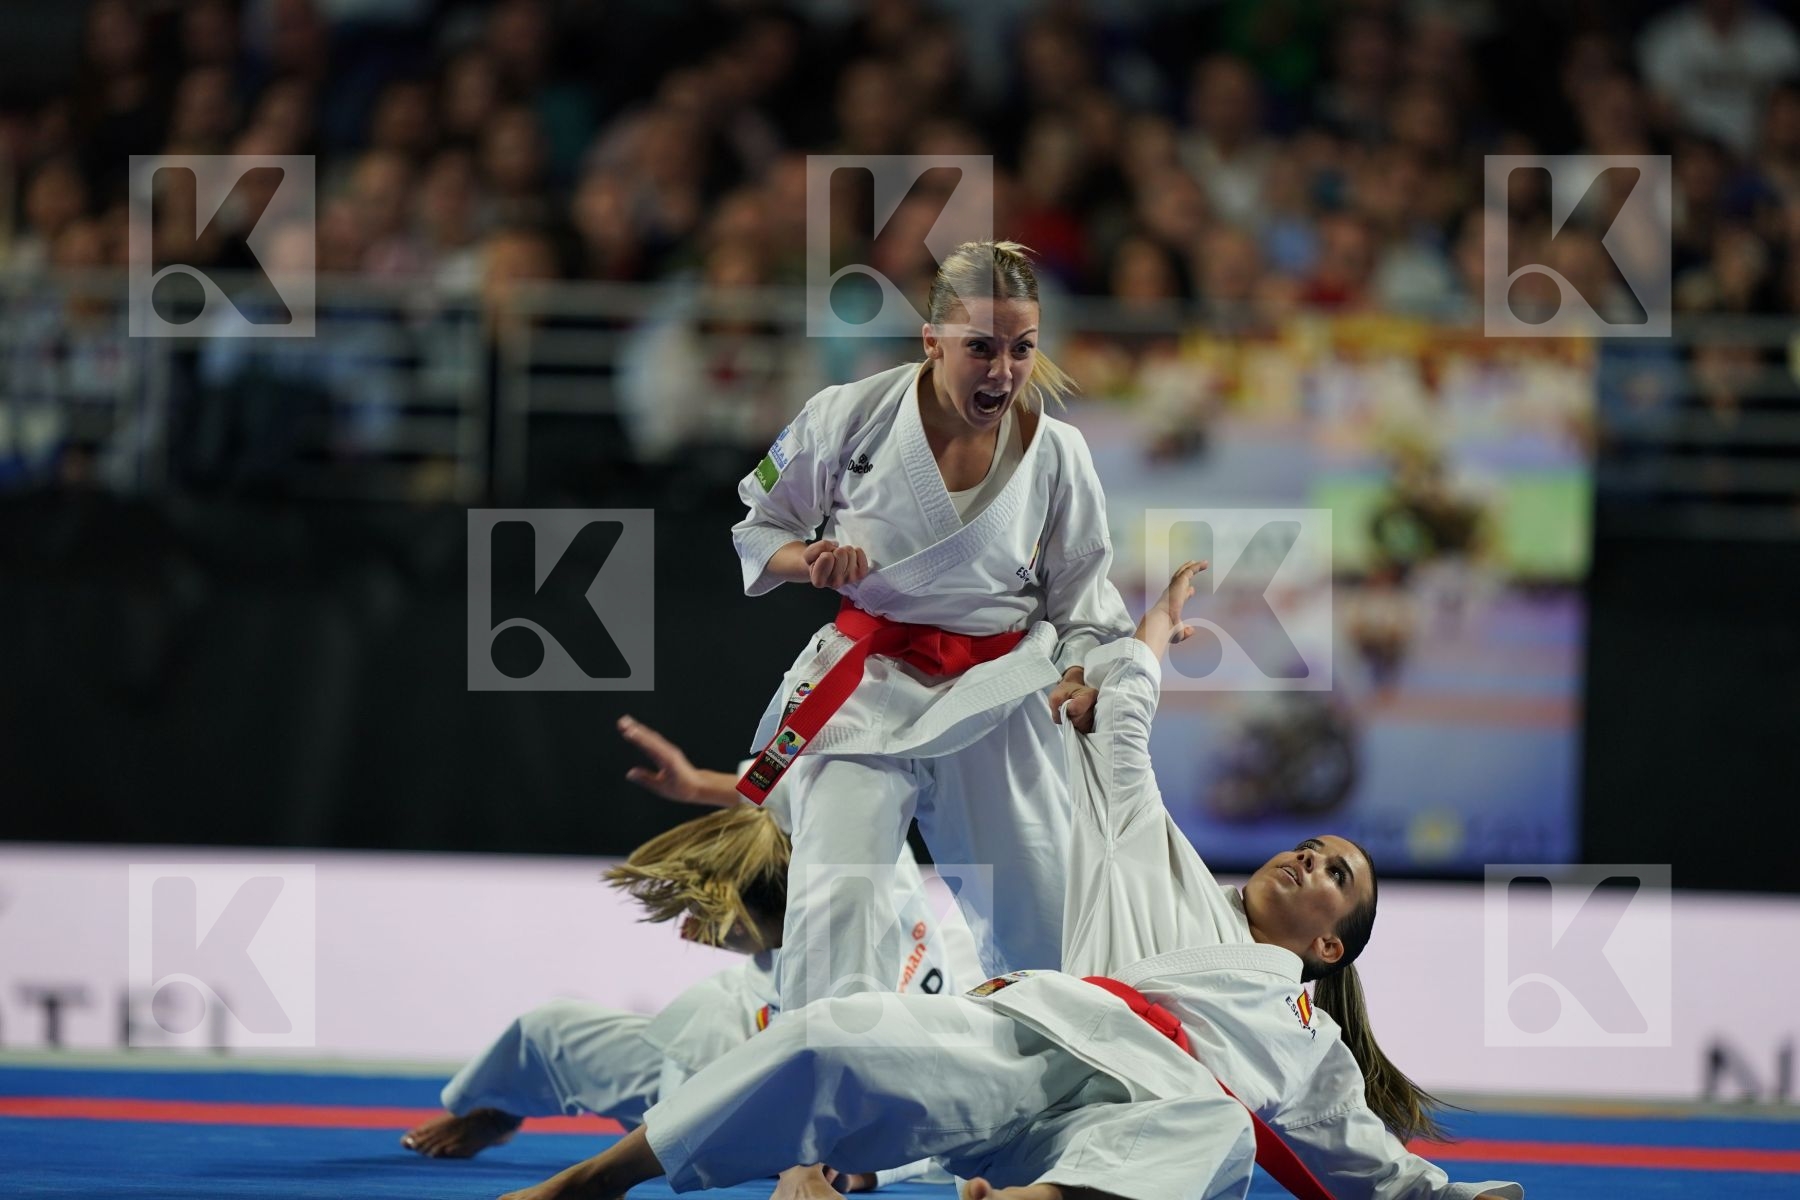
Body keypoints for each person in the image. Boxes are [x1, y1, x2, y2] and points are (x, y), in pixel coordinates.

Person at [494, 564, 1523, 1200]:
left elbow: (1361, 1160)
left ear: (1329, 946)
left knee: (1214, 1134)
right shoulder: (1153, 852)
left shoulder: (1302, 1034)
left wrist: (1450, 1199)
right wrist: (1146, 642)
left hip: (1117, 1130)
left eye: (1335, 874)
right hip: (1028, 1051)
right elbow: (1125, 723)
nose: (1309, 857)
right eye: (1313, 846)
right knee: (822, 1031)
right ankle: (600, 1178)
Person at [730, 240, 1133, 1021]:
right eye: (980, 347)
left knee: (1043, 927)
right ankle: (817, 1118)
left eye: (1022, 349)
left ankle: (1040, 1105)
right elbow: (757, 531)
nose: (1003, 372)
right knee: (834, 909)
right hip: (867, 687)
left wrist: (1086, 672)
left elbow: (1082, 599)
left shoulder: (1058, 454)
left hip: (998, 690)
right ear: (932, 338)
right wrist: (806, 557)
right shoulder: (847, 414)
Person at [403, 717, 964, 1189]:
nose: (694, 935)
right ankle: (499, 1108)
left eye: (722, 927)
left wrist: (862, 1175)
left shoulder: (865, 922)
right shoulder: (855, 855)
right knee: (548, 1028)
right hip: (744, 1054)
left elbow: (937, 1121)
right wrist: (696, 785)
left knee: (896, 1120)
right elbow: (788, 780)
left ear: (780, 917)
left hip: (833, 1097)